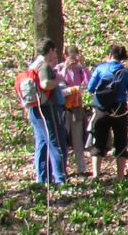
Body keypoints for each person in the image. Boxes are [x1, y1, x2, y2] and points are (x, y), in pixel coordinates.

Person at [85, 44, 128, 180]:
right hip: (120, 110)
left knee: (99, 140)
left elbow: (90, 88)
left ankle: (96, 174)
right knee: (121, 142)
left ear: (109, 54)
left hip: (101, 109)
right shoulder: (126, 72)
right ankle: (120, 176)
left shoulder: (100, 68)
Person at [24, 38, 67, 185]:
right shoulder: (43, 66)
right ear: (50, 50)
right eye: (54, 51)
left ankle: (42, 179)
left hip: (35, 109)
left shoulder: (33, 65)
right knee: (55, 143)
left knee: (42, 143)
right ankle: (60, 179)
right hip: (48, 110)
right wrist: (58, 79)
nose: (55, 53)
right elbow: (45, 84)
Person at [59, 45, 92, 177]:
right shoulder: (59, 68)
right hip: (64, 108)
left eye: (75, 56)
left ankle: (81, 169)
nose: (73, 60)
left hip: (76, 107)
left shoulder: (79, 69)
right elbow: (58, 84)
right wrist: (66, 67)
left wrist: (83, 65)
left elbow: (90, 83)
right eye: (70, 56)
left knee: (78, 139)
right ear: (65, 56)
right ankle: (61, 169)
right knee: (63, 139)